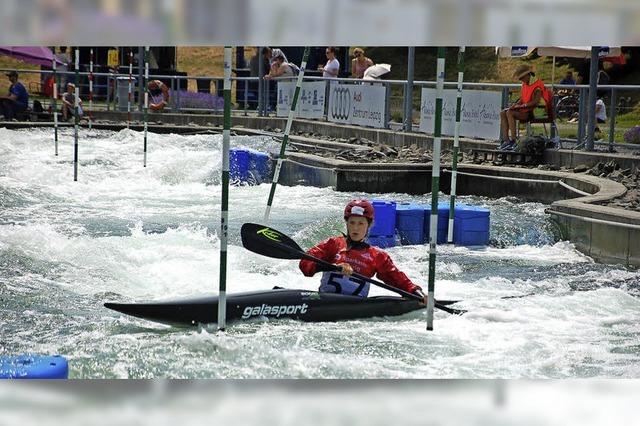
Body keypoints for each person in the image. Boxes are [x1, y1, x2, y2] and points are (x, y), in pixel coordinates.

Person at [299, 199, 427, 304]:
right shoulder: (333, 244)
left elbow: (398, 280)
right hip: (325, 304)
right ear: (347, 223)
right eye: (352, 222)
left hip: (356, 308)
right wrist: (332, 267)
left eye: (361, 223)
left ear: (369, 225)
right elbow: (305, 265)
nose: (355, 228)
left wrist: (417, 293)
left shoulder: (377, 256)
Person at [498, 64, 550, 151]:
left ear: (528, 75)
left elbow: (535, 102)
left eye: (522, 78)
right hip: (526, 109)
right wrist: (515, 105)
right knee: (503, 112)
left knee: (509, 113)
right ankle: (506, 140)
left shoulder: (537, 85)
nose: (521, 80)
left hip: (536, 111)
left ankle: (514, 140)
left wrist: (521, 106)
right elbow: (523, 99)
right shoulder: (524, 84)